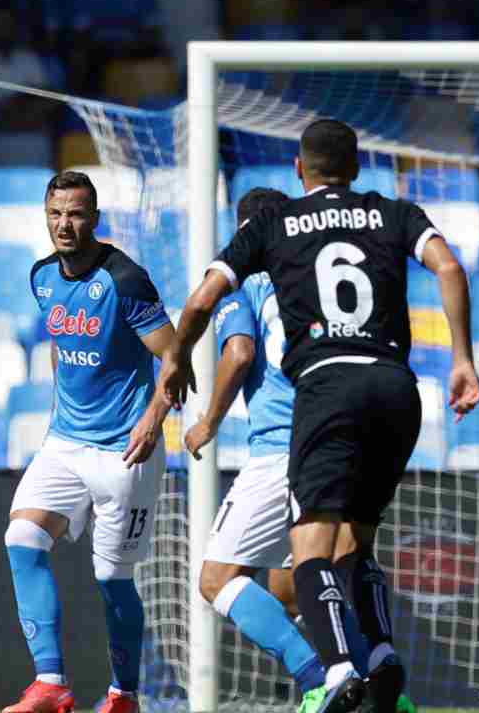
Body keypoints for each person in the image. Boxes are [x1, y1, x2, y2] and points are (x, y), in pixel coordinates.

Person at [160, 119, 479, 713]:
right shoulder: (392, 211)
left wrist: (176, 360)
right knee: (345, 554)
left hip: (322, 399)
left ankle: (328, 676)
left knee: (298, 555)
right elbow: (451, 268)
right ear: (357, 168)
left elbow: (207, 304)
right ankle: (380, 660)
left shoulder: (273, 231)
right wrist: (462, 359)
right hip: (395, 391)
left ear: (299, 171)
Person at [186, 188, 417, 713]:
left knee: (217, 579)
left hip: (279, 445)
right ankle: (380, 683)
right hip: (345, 431)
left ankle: (318, 679)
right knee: (304, 581)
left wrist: (209, 421)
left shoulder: (241, 278)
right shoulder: (309, 272)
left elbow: (240, 351)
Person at [3, 171, 174, 713]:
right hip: (65, 443)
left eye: (75, 214)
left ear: (94, 219)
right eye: (55, 214)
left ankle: (124, 696)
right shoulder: (41, 277)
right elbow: (62, 343)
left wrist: (153, 418)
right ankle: (50, 684)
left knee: (112, 578)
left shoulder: (125, 279)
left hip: (126, 449)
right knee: (21, 539)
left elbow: (175, 356)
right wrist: (62, 412)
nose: (64, 225)